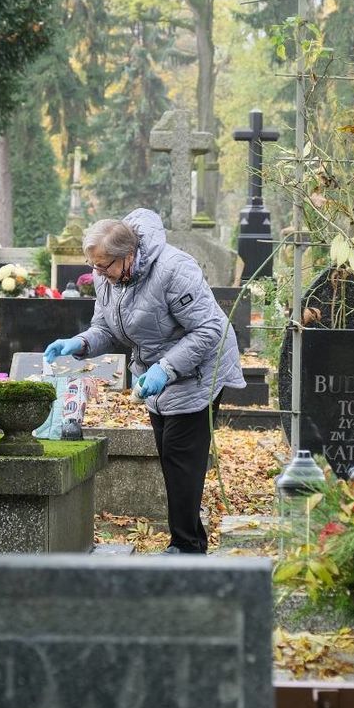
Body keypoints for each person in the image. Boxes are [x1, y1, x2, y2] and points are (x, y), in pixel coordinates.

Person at [45, 209, 245, 554]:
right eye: (93, 266)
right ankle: (190, 541)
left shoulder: (174, 269)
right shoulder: (109, 279)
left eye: (104, 265)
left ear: (129, 255)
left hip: (199, 370)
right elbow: (105, 328)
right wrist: (80, 343)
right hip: (157, 374)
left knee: (181, 458)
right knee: (170, 455)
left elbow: (210, 329)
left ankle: (185, 547)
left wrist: (165, 369)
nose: (98, 274)